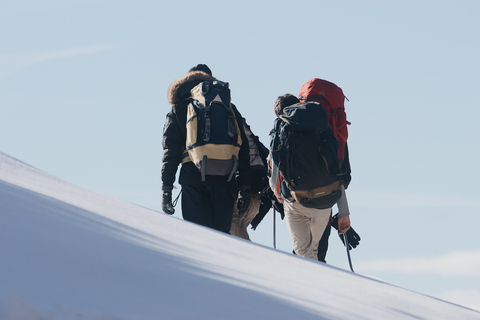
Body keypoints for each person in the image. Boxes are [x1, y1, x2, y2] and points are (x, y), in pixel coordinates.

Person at [161, 64, 251, 233]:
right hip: (225, 179)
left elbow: (170, 152)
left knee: (198, 236)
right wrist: (244, 188)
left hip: (192, 177)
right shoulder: (228, 108)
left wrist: (167, 189)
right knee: (221, 237)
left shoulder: (179, 108)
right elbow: (243, 148)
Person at [269, 94, 351, 261]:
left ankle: (309, 286)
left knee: (303, 254)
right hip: (326, 201)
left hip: (297, 201)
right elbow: (335, 171)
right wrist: (344, 211)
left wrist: (280, 197)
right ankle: (317, 284)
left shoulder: (281, 127)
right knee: (313, 250)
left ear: (279, 114)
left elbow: (276, 173)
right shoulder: (319, 124)